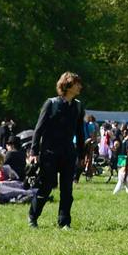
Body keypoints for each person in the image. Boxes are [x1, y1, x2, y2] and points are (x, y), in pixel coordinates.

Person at [28, 72, 85, 229]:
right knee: (46, 188)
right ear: (68, 85)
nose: (80, 87)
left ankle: (64, 222)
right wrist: (33, 152)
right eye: (77, 83)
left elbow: (80, 132)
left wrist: (81, 154)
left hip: (68, 153)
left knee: (67, 190)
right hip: (49, 153)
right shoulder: (51, 103)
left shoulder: (78, 106)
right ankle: (33, 217)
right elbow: (39, 129)